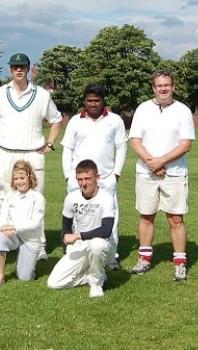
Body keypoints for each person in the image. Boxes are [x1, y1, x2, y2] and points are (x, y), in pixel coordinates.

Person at [0, 52, 62, 259]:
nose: (18, 70)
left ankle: (38, 245)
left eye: (22, 66)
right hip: (5, 153)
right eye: (15, 67)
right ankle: (3, 240)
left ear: (27, 69)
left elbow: (56, 119)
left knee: (35, 200)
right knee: (4, 199)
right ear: (10, 69)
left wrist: (50, 143)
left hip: (33, 153)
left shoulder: (41, 94)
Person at [128, 70, 195, 281]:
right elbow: (135, 140)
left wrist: (161, 161)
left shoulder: (183, 111)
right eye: (159, 85)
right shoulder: (143, 109)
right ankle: (144, 259)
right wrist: (152, 162)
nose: (163, 89)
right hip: (146, 172)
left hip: (174, 173)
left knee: (175, 218)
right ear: (153, 88)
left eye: (167, 85)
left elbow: (186, 144)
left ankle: (180, 263)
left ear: (173, 87)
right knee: (146, 216)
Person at [60, 84, 127, 270]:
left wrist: (116, 174)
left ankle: (111, 257)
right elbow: (67, 150)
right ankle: (73, 254)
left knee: (110, 219)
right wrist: (68, 176)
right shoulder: (75, 121)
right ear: (84, 101)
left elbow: (121, 147)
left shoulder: (114, 120)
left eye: (97, 100)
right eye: (89, 100)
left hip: (105, 178)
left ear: (103, 101)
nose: (93, 104)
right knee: (77, 218)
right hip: (79, 179)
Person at [47, 160, 115, 298]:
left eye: (88, 179)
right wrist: (66, 250)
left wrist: (78, 236)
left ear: (97, 178)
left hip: (103, 245)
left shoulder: (106, 198)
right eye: (80, 179)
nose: (84, 183)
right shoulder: (71, 198)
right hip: (79, 246)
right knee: (53, 283)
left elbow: (106, 230)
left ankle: (96, 283)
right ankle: (90, 276)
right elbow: (66, 227)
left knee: (97, 245)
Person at [0, 161, 45, 289]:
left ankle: (28, 261)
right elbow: (3, 216)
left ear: (29, 177)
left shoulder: (37, 198)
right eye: (16, 178)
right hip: (13, 235)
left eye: (22, 178)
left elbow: (35, 224)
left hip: (30, 239)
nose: (19, 182)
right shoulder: (10, 196)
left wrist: (14, 227)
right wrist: (4, 227)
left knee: (24, 277)